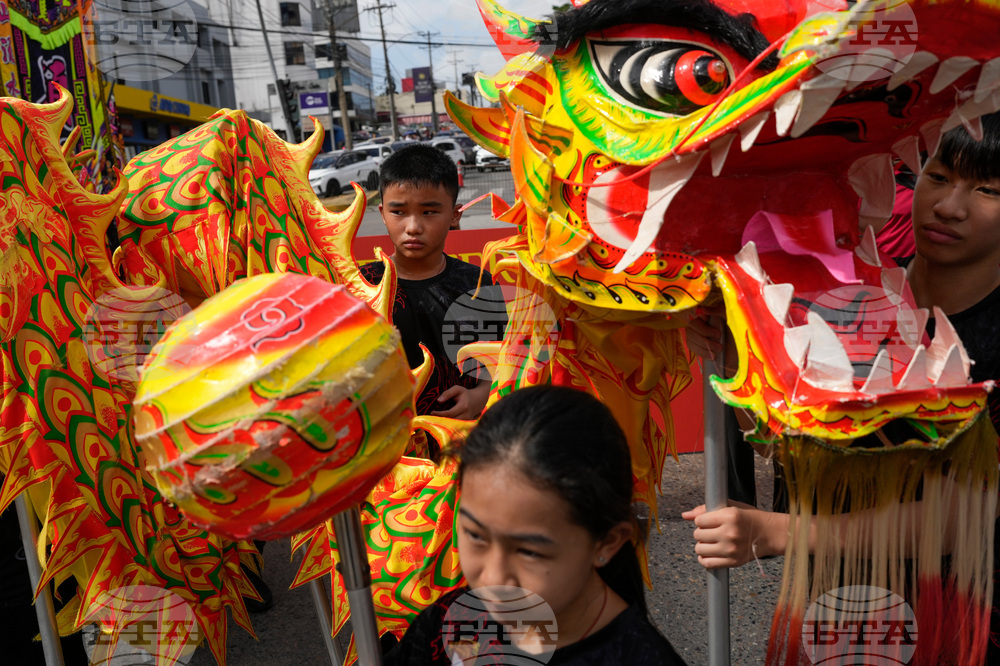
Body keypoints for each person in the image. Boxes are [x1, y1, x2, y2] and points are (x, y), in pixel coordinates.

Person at [393, 385, 687, 665]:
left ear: (607, 542)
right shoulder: (453, 621)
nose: (493, 577)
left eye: (529, 552)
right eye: (475, 535)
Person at [360, 143, 504, 421]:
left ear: (454, 215)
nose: (413, 226)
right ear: (382, 214)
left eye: (429, 212)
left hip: (463, 437)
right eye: (399, 212)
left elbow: (499, 362)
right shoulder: (361, 286)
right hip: (386, 440)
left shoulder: (476, 284)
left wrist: (479, 396)